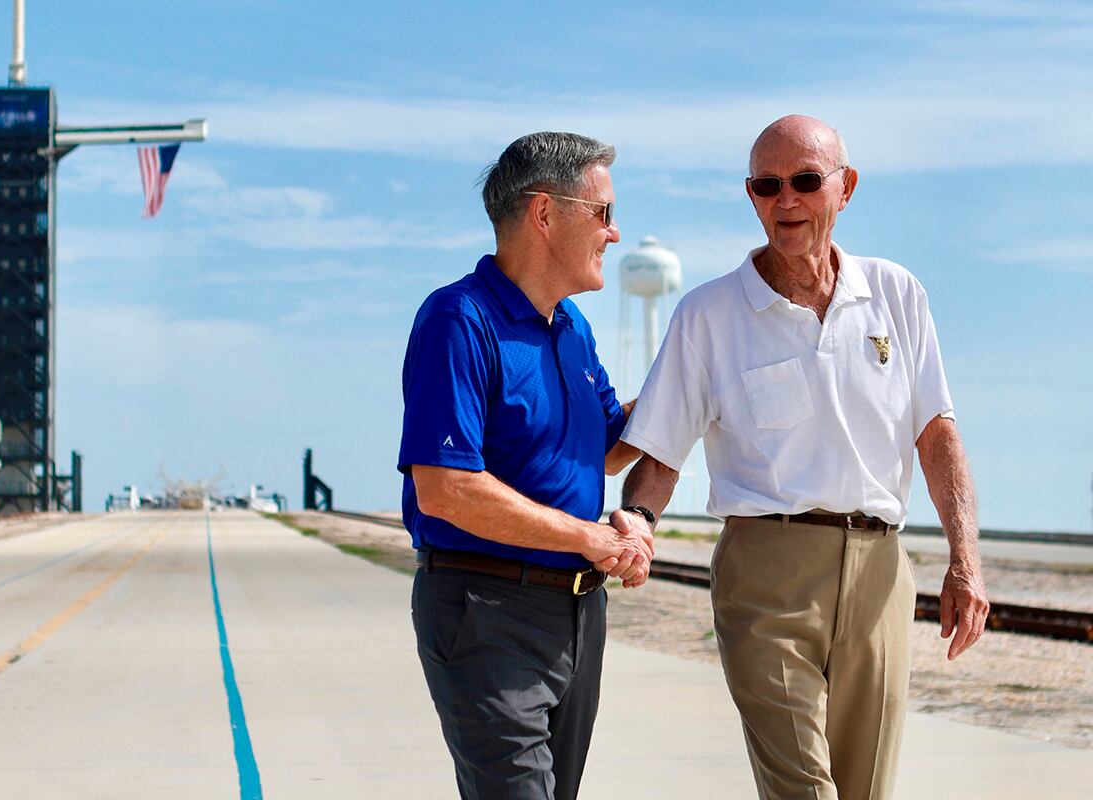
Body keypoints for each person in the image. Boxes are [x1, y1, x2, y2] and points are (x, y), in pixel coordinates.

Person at [615, 115, 990, 800]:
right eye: (767, 185)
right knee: (802, 789)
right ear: (751, 195)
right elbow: (662, 448)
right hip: (766, 580)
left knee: (863, 789)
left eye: (805, 181)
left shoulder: (898, 295)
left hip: (881, 574)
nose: (785, 200)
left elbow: (937, 435)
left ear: (844, 188)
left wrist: (965, 562)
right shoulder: (708, 314)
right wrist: (638, 518)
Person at [397, 131, 650, 800]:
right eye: (602, 214)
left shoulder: (572, 328)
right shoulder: (458, 320)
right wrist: (591, 538)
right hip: (486, 612)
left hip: (575, 618)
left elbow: (608, 445)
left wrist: (694, 381)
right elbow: (447, 488)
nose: (615, 233)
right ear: (545, 213)